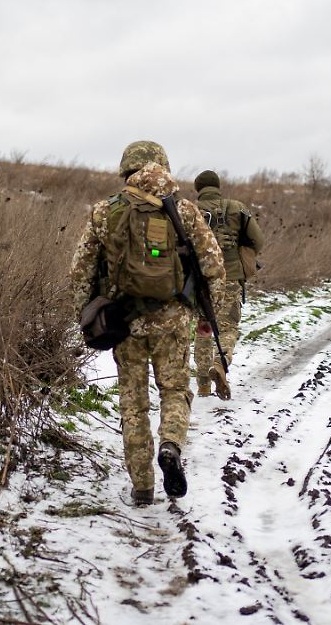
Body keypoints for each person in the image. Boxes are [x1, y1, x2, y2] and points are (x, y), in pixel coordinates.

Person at [69, 141, 226, 506]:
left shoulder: (103, 212)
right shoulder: (184, 211)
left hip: (124, 322)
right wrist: (207, 317)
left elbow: (78, 274)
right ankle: (171, 445)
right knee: (174, 390)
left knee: (133, 403)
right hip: (172, 321)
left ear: (126, 170)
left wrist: (86, 319)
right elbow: (214, 266)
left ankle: (142, 486)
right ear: (163, 166)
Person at [191, 169, 265, 400]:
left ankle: (203, 384)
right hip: (231, 275)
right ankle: (219, 363)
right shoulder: (237, 207)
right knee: (228, 326)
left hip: (199, 278)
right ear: (218, 186)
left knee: (203, 327)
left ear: (198, 189)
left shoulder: (188, 209)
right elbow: (258, 240)